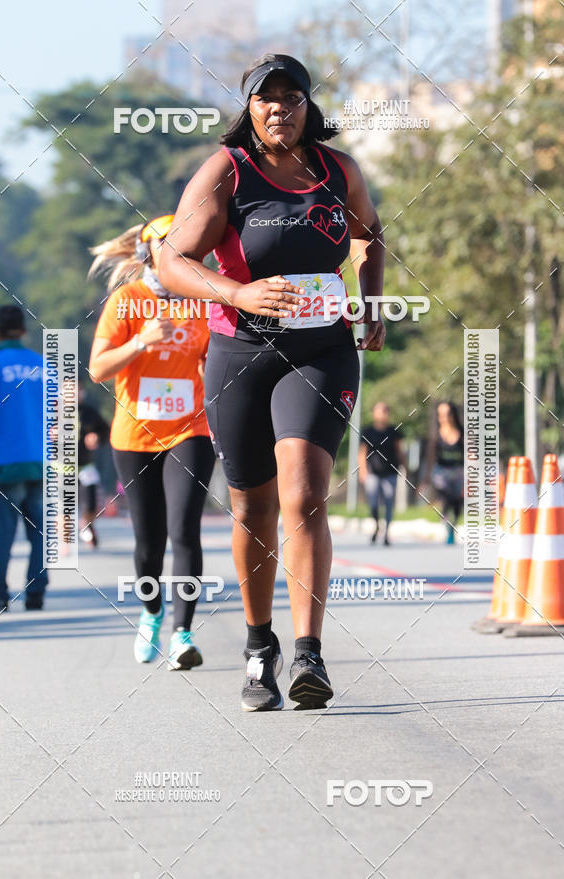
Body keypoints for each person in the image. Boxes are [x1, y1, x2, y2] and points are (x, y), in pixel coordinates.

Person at [158, 53, 385, 711]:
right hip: (239, 357)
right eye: (267, 99)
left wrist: (370, 303)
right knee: (254, 508)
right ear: (249, 108)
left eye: (292, 97)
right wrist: (239, 292)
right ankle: (261, 646)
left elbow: (371, 239)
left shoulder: (339, 172)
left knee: (305, 494)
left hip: (321, 353)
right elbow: (173, 260)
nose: (280, 108)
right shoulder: (227, 172)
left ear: (309, 107)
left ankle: (309, 652)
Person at [88, 214, 215, 668]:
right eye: (170, 249)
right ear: (147, 254)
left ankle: (183, 633)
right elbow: (98, 369)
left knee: (185, 531)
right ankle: (151, 611)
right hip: (134, 436)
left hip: (189, 431)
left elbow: (213, 364)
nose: (181, 257)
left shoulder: (200, 303)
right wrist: (140, 341)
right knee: (149, 542)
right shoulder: (127, 301)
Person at [0, 305, 47, 612]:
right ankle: (36, 593)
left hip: (4, 462)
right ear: (24, 331)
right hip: (42, 462)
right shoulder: (43, 365)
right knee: (39, 533)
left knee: (3, 534)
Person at [358, 402, 406, 545]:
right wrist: (363, 470)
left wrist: (404, 468)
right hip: (373, 472)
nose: (382, 413)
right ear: (374, 413)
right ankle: (376, 525)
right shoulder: (367, 431)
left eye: (385, 410)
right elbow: (362, 453)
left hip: (390, 471)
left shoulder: (393, 431)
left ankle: (386, 533)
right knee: (373, 502)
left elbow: (399, 451)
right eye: (379, 411)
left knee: (389, 501)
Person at [420, 401, 464, 544]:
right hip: (441, 473)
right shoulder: (436, 436)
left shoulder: (462, 434)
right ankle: (446, 523)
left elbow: (470, 455)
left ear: (453, 414)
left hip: (458, 473)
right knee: (446, 498)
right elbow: (431, 458)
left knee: (457, 504)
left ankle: (452, 526)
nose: (444, 417)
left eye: (447, 414)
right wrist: (426, 479)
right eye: (441, 415)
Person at [78, 381, 109, 548]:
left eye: (77, 389)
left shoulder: (90, 413)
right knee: (62, 508)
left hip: (85, 466)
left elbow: (106, 431)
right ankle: (63, 542)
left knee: (91, 504)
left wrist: (97, 437)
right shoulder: (51, 412)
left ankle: (87, 524)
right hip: (59, 468)